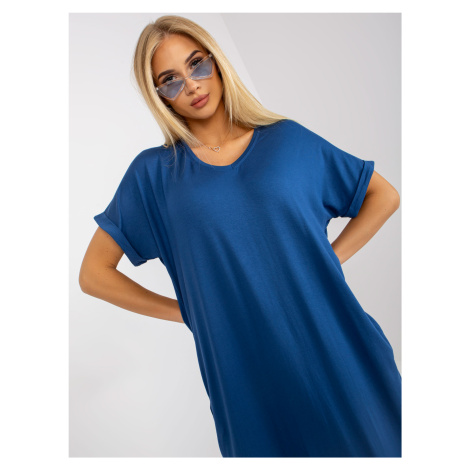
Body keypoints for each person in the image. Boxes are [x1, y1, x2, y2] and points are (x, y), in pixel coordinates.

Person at [79, 15, 402, 458]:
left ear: (216, 61)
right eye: (170, 80)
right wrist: (186, 310)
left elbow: (384, 196)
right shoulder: (154, 174)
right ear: (158, 95)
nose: (191, 85)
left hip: (339, 347)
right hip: (244, 377)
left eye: (197, 64)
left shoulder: (288, 141)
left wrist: (328, 258)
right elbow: (94, 274)